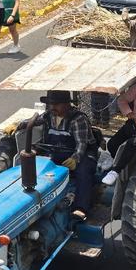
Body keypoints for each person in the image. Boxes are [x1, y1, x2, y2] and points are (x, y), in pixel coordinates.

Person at [36, 91, 100, 220]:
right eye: (50, 104)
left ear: (66, 105)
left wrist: (74, 159)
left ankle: (80, 208)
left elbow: (81, 144)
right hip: (56, 152)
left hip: (82, 154)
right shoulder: (48, 116)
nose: (52, 107)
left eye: (56, 104)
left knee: (83, 172)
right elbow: (35, 121)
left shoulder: (77, 119)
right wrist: (22, 124)